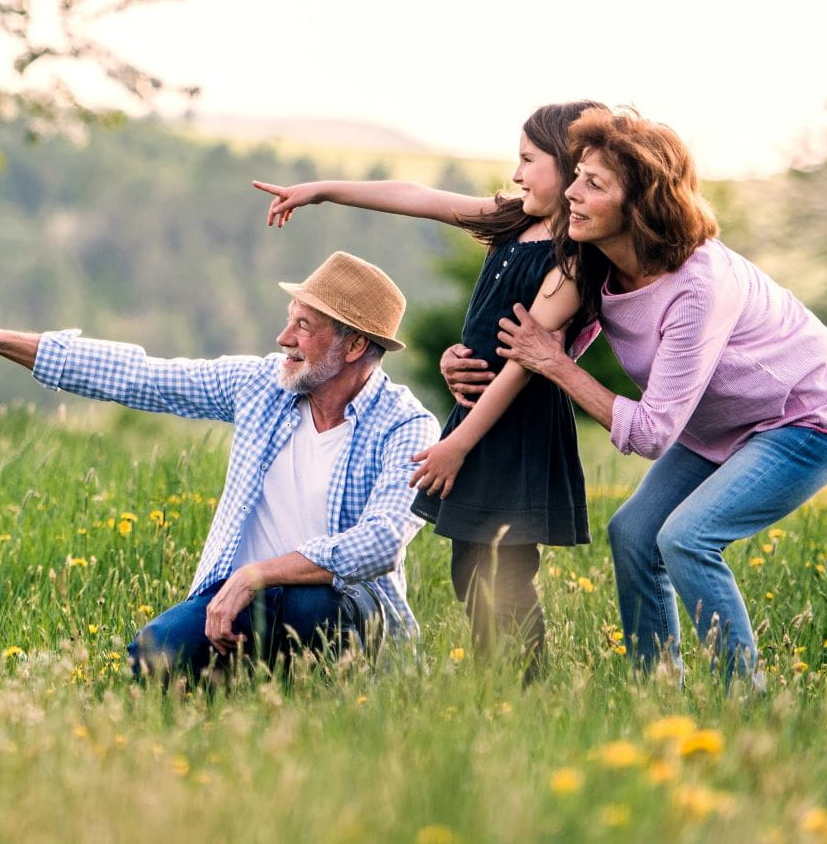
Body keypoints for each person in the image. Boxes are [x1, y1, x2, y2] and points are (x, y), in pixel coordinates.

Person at [0, 251, 437, 681]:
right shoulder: (260, 386)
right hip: (235, 603)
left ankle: (307, 686)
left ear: (354, 344)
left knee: (314, 602)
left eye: (303, 326)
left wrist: (257, 574)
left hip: (340, 613)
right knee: (152, 657)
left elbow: (381, 541)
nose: (283, 338)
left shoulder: (406, 426)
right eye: (289, 320)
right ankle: (235, 678)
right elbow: (139, 376)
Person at [487, 107, 827, 684]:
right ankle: (657, 688)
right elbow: (550, 338)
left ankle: (746, 698)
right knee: (634, 533)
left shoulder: (697, 285)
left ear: (639, 205)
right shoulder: (599, 259)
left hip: (807, 420)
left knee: (687, 539)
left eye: (594, 184)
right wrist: (465, 362)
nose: (571, 193)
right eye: (576, 177)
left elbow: (649, 433)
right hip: (719, 426)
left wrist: (558, 367)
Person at [252, 101, 601, 675]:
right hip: (478, 412)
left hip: (514, 424)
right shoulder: (515, 219)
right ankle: (503, 680)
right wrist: (322, 190)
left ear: (568, 164)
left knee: (503, 566)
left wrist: (458, 445)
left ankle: (523, 685)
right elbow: (419, 197)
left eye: (528, 160)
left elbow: (522, 366)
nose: (516, 174)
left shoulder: (572, 260)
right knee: (473, 562)